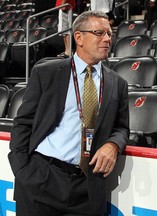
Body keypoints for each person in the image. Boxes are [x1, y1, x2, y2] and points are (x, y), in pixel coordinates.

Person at [8, 10, 129, 216]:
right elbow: (23, 123)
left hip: (88, 187)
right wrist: (23, 171)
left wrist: (113, 144)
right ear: (79, 37)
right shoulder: (47, 72)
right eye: (99, 33)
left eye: (110, 34)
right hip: (42, 178)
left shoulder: (117, 83)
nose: (107, 39)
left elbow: (122, 128)